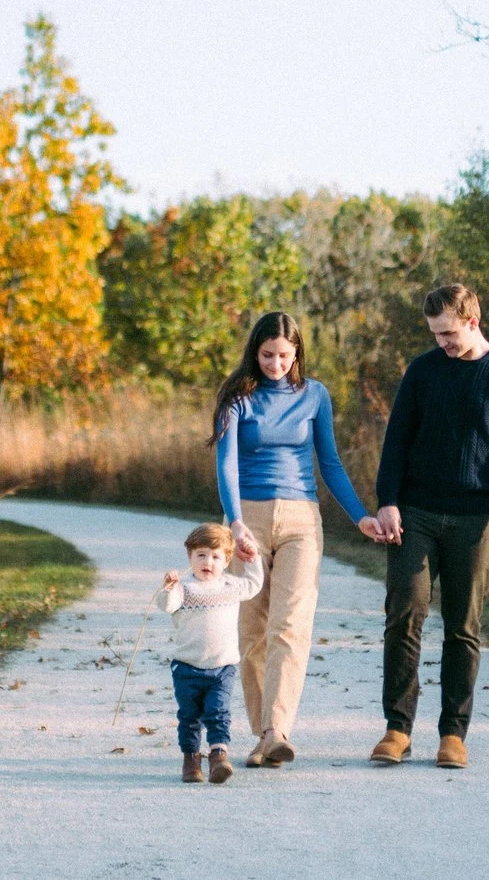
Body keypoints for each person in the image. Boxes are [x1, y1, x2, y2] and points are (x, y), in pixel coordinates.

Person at [365, 282, 489, 771]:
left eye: (448, 332)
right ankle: (397, 729)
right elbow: (395, 441)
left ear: (472, 320)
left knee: (463, 626)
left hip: (477, 517)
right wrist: (388, 502)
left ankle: (452, 735)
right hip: (415, 512)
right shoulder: (422, 371)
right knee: (405, 612)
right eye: (435, 334)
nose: (442, 342)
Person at [210, 310, 383, 769]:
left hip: (302, 521)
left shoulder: (315, 396)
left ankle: (275, 731)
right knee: (251, 627)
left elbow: (330, 462)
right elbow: (225, 463)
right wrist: (235, 522)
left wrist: (360, 516)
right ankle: (259, 732)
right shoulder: (238, 397)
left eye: (285, 356)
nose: (276, 364)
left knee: (289, 625)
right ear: (255, 352)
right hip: (250, 519)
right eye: (267, 355)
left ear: (297, 353)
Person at [158, 522, 265, 783]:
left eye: (216, 557)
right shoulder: (184, 589)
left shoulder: (230, 586)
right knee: (189, 716)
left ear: (227, 560)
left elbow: (254, 585)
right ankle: (191, 759)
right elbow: (167, 605)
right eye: (201, 555)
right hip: (186, 666)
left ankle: (218, 756)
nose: (208, 562)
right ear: (190, 557)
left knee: (218, 712)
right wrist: (168, 587)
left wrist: (253, 559)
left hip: (222, 666)